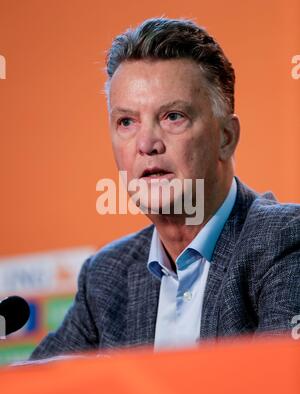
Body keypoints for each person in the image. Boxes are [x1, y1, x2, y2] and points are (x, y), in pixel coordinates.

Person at [30, 17, 300, 360]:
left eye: (173, 116)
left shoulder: (284, 241)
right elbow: (36, 387)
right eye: (126, 122)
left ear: (226, 138)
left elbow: (280, 385)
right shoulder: (105, 277)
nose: (146, 144)